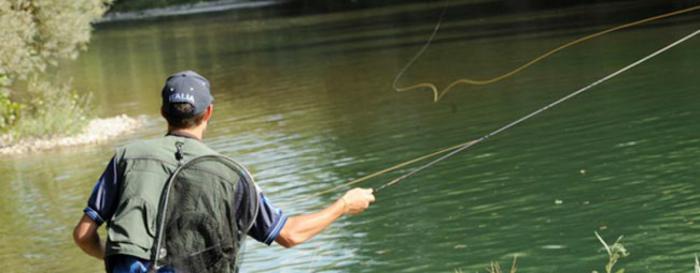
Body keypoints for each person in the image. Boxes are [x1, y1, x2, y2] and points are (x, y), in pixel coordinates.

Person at [73, 70, 376, 273]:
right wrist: (344, 206)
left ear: (164, 112)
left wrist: (118, 255)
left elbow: (83, 235)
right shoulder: (230, 174)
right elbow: (289, 235)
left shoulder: (127, 157)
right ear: (208, 113)